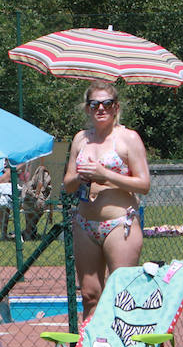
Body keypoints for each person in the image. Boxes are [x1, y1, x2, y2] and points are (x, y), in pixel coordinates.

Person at [62, 81, 150, 321]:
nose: (100, 108)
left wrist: (106, 175)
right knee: (90, 295)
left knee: (122, 293)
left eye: (106, 104)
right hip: (85, 224)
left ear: (116, 107)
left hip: (119, 223)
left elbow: (144, 184)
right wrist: (81, 176)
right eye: (94, 104)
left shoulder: (128, 138)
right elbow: (68, 184)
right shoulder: (81, 140)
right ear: (87, 109)